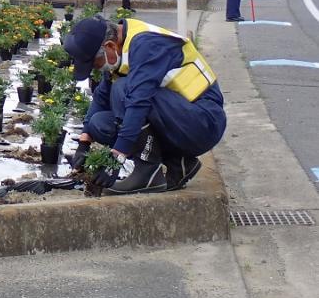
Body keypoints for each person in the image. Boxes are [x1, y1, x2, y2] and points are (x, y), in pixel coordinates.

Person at [64, 17, 226, 194]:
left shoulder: (146, 45)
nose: (96, 69)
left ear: (109, 46)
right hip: (179, 119)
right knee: (99, 124)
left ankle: (147, 171)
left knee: (123, 89)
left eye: (95, 64)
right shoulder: (120, 49)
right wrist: (84, 141)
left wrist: (117, 158)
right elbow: (101, 97)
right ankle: (178, 163)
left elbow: (138, 103)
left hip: (204, 122)